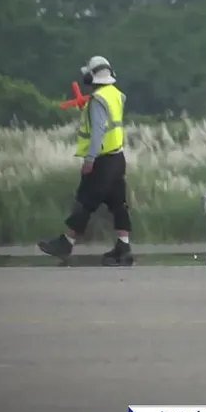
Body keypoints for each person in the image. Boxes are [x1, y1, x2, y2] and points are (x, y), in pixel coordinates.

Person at [38, 56, 133, 266]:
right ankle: (123, 247)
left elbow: (99, 131)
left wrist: (90, 159)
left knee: (85, 201)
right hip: (118, 157)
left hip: (102, 159)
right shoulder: (117, 95)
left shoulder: (97, 100)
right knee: (119, 204)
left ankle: (66, 243)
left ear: (91, 76)